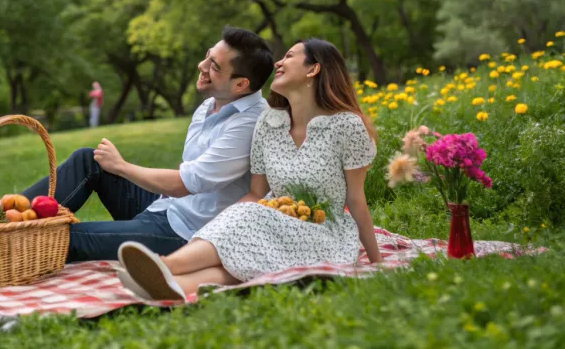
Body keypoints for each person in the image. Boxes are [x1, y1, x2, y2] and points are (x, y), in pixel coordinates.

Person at [0, 26, 274, 264]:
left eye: (213, 65)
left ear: (241, 84)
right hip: (165, 208)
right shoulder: (210, 106)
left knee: (67, 238)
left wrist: (122, 167)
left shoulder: (248, 123)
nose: (201, 66)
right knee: (89, 161)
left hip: (185, 234)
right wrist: (112, 168)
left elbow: (188, 182)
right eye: (207, 56)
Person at [115, 38, 383, 301]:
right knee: (244, 240)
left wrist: (377, 262)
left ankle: (164, 266)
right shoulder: (269, 122)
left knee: (250, 222)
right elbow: (256, 193)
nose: (279, 61)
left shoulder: (347, 127)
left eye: (289, 56)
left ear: (313, 69)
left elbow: (356, 200)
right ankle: (173, 285)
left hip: (322, 231)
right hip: (273, 219)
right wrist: (226, 224)